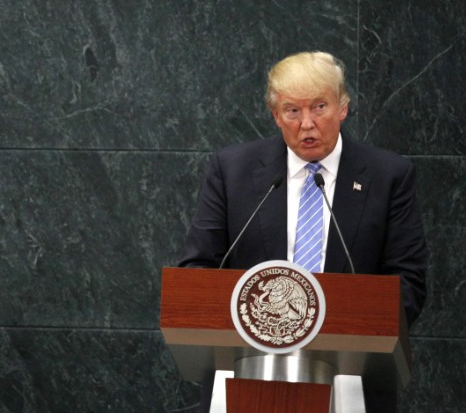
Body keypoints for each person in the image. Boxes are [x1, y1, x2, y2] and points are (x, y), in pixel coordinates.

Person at [178, 51, 427, 412]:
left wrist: (347, 326)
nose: (307, 123)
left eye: (320, 107)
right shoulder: (233, 171)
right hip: (246, 377)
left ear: (343, 107)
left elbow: (409, 281)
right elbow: (197, 271)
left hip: (350, 382)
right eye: (293, 110)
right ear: (276, 115)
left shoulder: (388, 176)